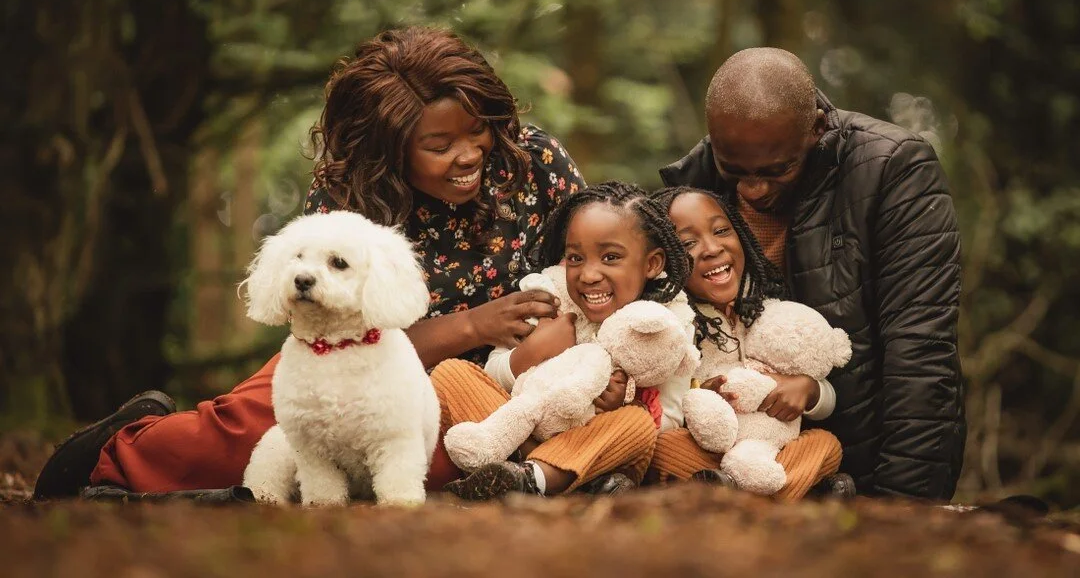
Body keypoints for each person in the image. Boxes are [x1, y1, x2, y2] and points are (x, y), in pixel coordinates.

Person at [33, 26, 591, 499]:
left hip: (489, 383)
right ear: (390, 147)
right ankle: (115, 456)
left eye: (478, 131)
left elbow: (598, 268)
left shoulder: (533, 162)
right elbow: (332, 322)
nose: (469, 155)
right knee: (253, 431)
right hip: (345, 357)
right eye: (440, 145)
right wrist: (471, 323)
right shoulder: (350, 193)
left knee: (442, 461)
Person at [659, 47, 965, 501]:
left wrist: (904, 506)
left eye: (776, 170)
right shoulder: (693, 184)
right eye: (735, 171)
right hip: (730, 468)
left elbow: (921, 350)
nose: (752, 189)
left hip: (860, 465)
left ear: (817, 128)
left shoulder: (894, 171)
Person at [443, 182, 695, 500]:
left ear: (652, 264)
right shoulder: (550, 298)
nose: (588, 275)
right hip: (518, 428)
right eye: (576, 258)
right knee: (453, 374)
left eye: (610, 257)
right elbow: (492, 373)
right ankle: (539, 476)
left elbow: (671, 419)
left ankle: (538, 476)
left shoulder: (666, 323)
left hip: (598, 442)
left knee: (638, 422)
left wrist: (622, 403)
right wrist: (531, 352)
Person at [648, 186, 848, 501]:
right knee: (668, 449)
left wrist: (809, 389)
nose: (712, 248)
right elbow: (663, 407)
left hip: (771, 450)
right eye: (688, 242)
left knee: (823, 444)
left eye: (721, 230)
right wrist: (700, 397)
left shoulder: (769, 311)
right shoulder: (675, 325)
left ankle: (746, 496)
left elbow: (828, 399)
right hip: (709, 453)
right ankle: (784, 495)